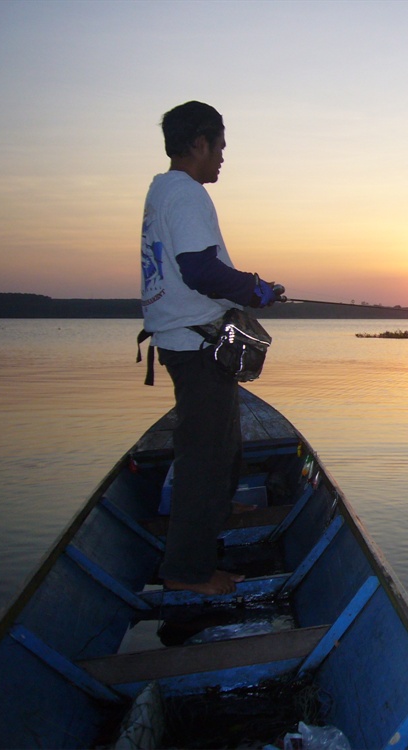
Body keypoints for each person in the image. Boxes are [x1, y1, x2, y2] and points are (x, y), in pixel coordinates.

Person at [139, 101, 282, 596]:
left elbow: (191, 269)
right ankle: (186, 570)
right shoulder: (186, 194)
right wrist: (254, 289)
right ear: (198, 143)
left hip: (188, 340)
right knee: (203, 456)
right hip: (194, 342)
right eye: (219, 146)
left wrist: (253, 289)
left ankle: (217, 510)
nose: (223, 156)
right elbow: (199, 270)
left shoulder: (165, 191)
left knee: (223, 441)